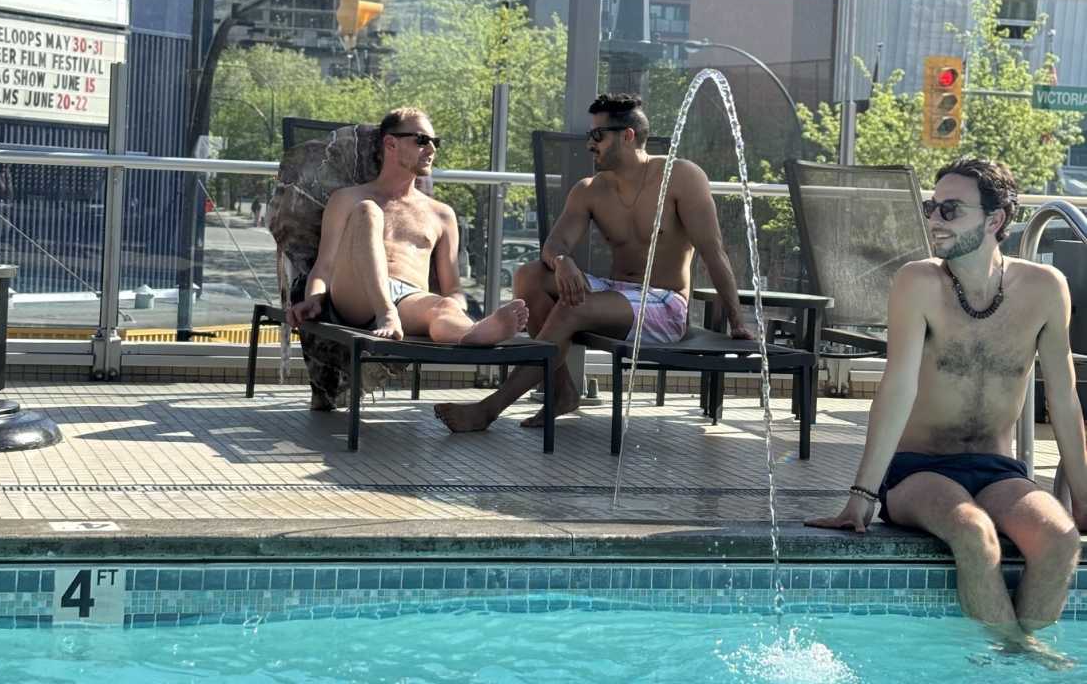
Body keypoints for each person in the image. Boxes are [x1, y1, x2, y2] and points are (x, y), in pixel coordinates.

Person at [808, 158, 1086, 651]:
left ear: (994, 220)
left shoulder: (1045, 289)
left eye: (950, 210)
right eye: (931, 207)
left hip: (1000, 471)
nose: (934, 219)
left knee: (1061, 539)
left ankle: (1007, 659)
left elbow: (1063, 397)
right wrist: (862, 496)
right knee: (974, 534)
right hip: (918, 471)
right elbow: (896, 390)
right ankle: (1020, 663)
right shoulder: (918, 283)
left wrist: (1083, 500)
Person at [435, 92, 753, 434]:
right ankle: (562, 391)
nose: (590, 144)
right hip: (615, 295)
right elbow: (555, 244)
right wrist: (561, 261)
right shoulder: (589, 190)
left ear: (627, 136)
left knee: (574, 307)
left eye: (598, 135)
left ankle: (489, 409)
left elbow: (713, 250)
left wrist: (736, 320)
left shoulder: (680, 177)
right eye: (590, 135)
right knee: (530, 276)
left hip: (664, 303)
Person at [287, 107, 528, 345]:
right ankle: (386, 313)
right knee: (368, 210)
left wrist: (457, 307)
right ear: (391, 144)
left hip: (408, 299)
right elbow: (325, 266)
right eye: (422, 140)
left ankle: (471, 333)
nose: (432, 149)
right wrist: (314, 299)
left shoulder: (442, 214)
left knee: (443, 306)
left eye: (436, 142)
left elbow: (452, 288)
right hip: (354, 296)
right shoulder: (347, 198)